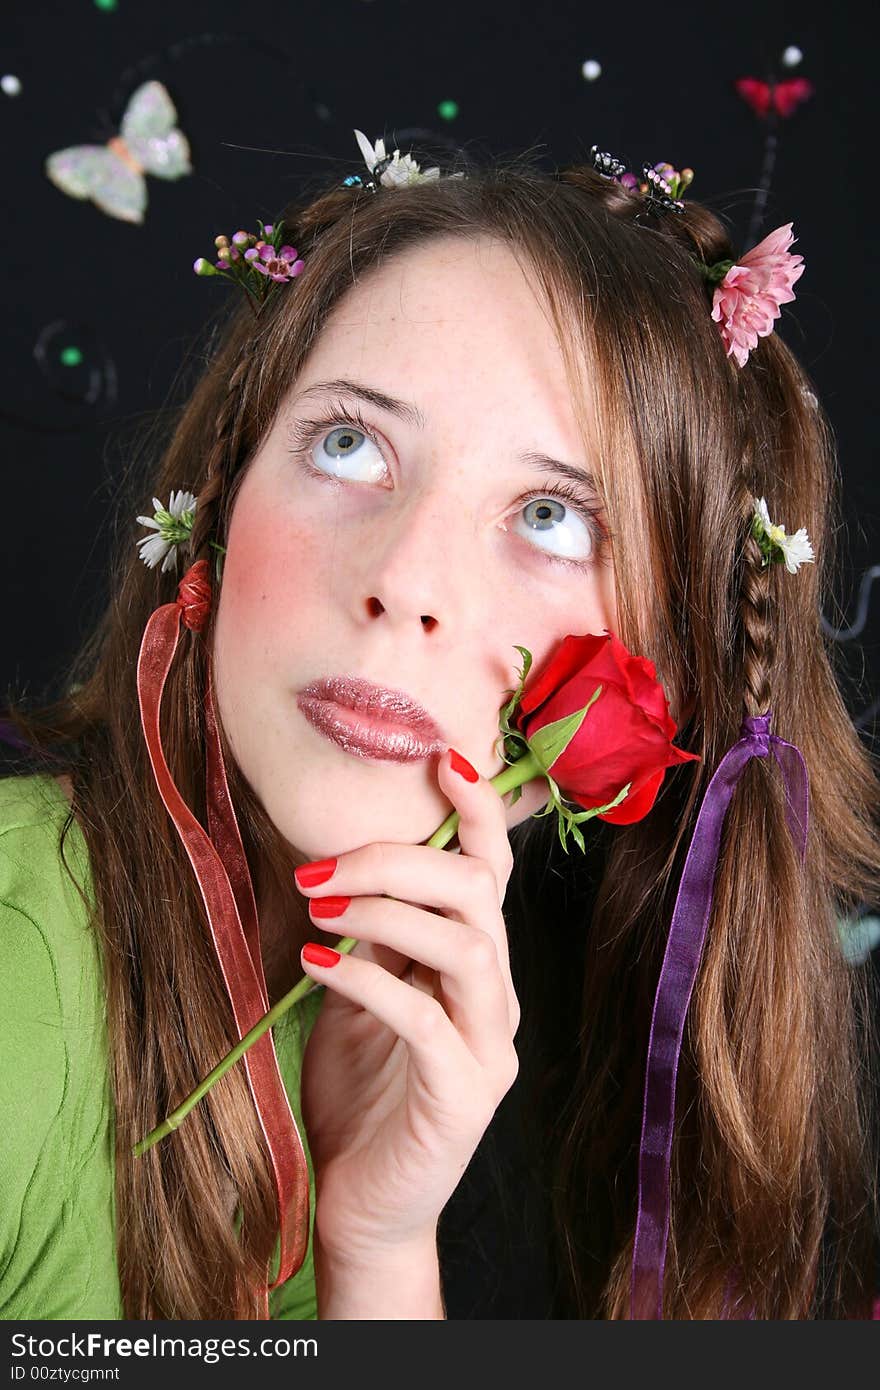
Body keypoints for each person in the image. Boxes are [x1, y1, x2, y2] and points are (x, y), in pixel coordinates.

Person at [2, 134, 879, 1321]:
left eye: (550, 515)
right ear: (221, 501)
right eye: (349, 443)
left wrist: (377, 1248)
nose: (405, 577)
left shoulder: (452, 1055)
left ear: (668, 670)